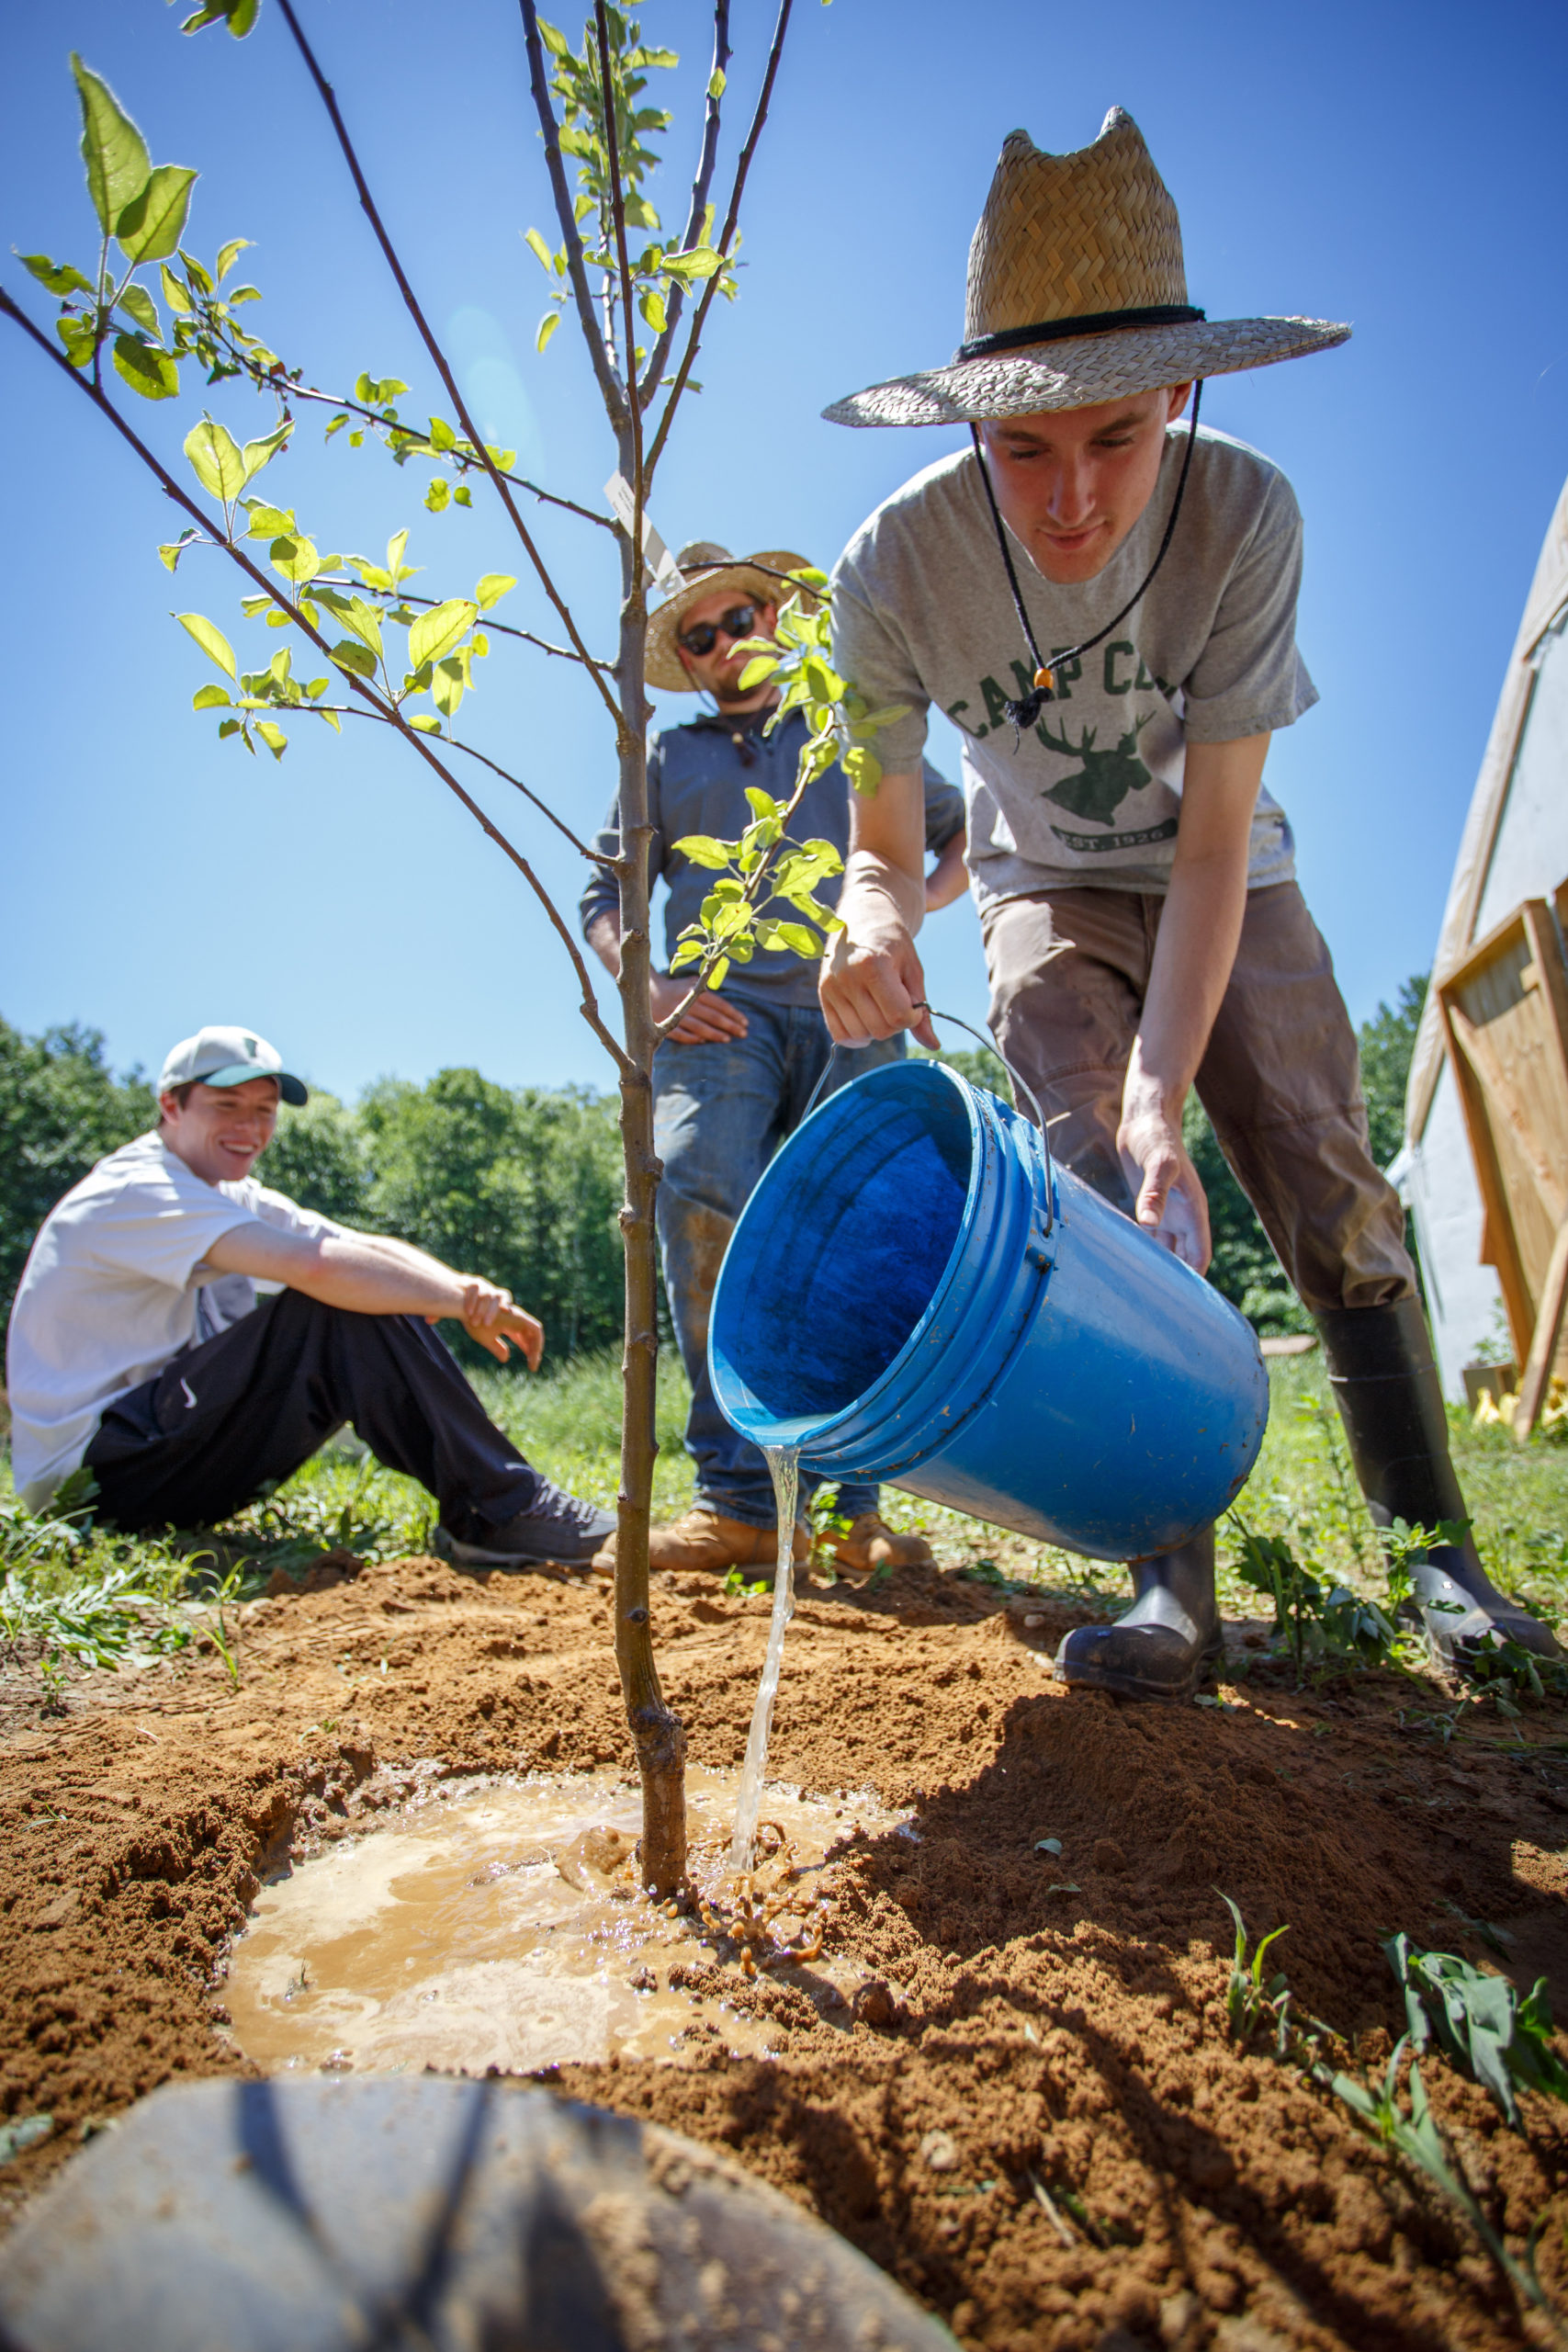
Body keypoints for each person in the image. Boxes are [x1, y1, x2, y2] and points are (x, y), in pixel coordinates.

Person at [815, 110, 1558, 1696]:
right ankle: (1171, 1588)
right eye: (1021, 448)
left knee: (1325, 1176)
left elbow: (1213, 841)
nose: (1068, 499)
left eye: (1112, 439)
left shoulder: (1246, 517)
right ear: (963, 429)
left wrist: (1175, 1093)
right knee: (1085, 1184)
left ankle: (1436, 1554)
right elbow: (885, 849)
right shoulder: (886, 570)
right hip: (1043, 883)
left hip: (1234, 878)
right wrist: (870, 919)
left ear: (1179, 391)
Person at [581, 542, 967, 1577]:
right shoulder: (666, 761)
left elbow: (960, 830)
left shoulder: (841, 723)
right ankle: (743, 1504)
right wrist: (653, 991)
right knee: (698, 1186)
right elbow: (605, 898)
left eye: (736, 621)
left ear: (777, 618)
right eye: (696, 637)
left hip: (855, 1008)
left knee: (864, 1230)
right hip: (723, 1019)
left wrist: (903, 918)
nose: (720, 647)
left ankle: (851, 1508)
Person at [6, 1025, 614, 1570]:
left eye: (264, 1111)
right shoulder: (140, 1189)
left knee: (358, 1288)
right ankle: (501, 1513)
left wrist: (470, 1291)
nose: (250, 1128)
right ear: (171, 1104)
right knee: (331, 1302)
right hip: (92, 1483)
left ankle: (498, 1509)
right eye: (227, 1106)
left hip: (158, 1460)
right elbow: (315, 1266)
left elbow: (351, 1243)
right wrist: (456, 1303)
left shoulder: (222, 1192)